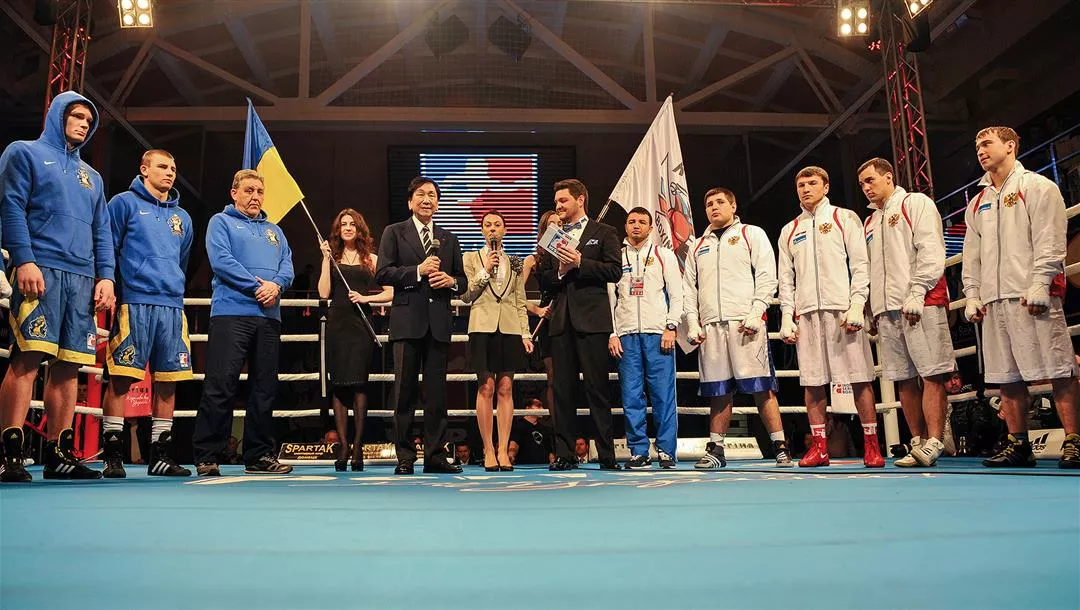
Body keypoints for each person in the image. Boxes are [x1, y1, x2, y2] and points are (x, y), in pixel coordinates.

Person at [0, 91, 115, 483]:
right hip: (41, 267)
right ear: (58, 115)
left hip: (81, 277)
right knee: (28, 358)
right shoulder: (24, 153)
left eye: (89, 120)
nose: (83, 124)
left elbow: (102, 230)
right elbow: (11, 206)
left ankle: (59, 454)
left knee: (69, 366)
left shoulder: (92, 177)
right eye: (77, 116)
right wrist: (24, 258)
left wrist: (106, 276)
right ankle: (10, 455)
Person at [962, 126, 1079, 468]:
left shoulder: (1038, 186)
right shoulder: (977, 202)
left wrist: (1041, 282)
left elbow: (1050, 238)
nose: (980, 150)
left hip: (1032, 294)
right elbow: (972, 254)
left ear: (1010, 146)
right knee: (1005, 375)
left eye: (987, 143)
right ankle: (1018, 444)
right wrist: (972, 294)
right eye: (977, 146)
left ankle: (1074, 440)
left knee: (1059, 369)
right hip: (994, 299)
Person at [777, 166, 885, 468]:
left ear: (825, 187)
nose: (805, 189)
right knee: (812, 382)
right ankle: (819, 447)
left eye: (812, 183)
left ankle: (872, 446)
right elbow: (785, 278)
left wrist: (857, 304)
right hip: (807, 313)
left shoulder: (844, 217)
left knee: (860, 377)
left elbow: (860, 264)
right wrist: (786, 315)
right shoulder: (789, 230)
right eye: (801, 185)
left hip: (842, 310)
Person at [191, 169, 295, 476]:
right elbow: (222, 261)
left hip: (269, 316)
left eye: (259, 191)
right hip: (231, 313)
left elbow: (287, 265)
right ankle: (208, 455)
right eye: (249, 190)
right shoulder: (221, 222)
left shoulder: (275, 231)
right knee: (221, 384)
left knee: (264, 387)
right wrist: (257, 287)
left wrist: (276, 286)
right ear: (234, 193)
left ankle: (259, 455)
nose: (255, 196)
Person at [100, 149, 193, 478]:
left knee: (168, 382)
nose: (169, 173)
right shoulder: (123, 204)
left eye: (173, 168)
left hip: (172, 306)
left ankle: (161, 456)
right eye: (163, 167)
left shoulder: (183, 218)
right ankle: (113, 454)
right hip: (134, 302)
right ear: (144, 169)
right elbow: (107, 247)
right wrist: (110, 283)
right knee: (121, 379)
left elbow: (182, 260)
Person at [858, 158, 956, 467]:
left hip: (921, 302)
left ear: (889, 177)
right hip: (886, 308)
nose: (866, 187)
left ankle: (936, 440)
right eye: (862, 184)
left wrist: (917, 290)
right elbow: (870, 268)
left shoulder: (915, 203)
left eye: (871, 180)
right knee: (903, 377)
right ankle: (917, 441)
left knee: (931, 372)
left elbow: (931, 249)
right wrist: (871, 307)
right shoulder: (870, 222)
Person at [683, 187, 792, 469]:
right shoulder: (697, 245)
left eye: (720, 202)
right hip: (711, 326)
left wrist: (757, 311)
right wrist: (693, 322)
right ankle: (716, 449)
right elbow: (688, 289)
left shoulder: (750, 233)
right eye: (709, 204)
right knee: (718, 391)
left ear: (733, 206)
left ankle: (780, 447)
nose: (714, 207)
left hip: (746, 323)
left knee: (761, 388)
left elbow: (767, 275)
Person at [375, 176, 466, 475]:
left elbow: (463, 280)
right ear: (410, 201)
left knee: (437, 395)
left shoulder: (449, 238)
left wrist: (451, 281)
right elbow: (383, 273)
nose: (427, 200)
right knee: (404, 392)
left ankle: (435, 455)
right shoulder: (394, 232)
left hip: (438, 323)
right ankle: (404, 455)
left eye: (432, 195)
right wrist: (418, 270)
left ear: (438, 203)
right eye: (421, 194)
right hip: (406, 322)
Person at [538, 179, 623, 471]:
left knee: (597, 390)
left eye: (563, 200)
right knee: (562, 391)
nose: (558, 206)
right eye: (556, 201)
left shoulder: (605, 232)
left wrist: (580, 263)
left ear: (580, 199)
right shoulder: (552, 236)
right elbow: (544, 280)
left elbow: (614, 271)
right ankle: (565, 454)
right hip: (561, 322)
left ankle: (607, 455)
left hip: (593, 322)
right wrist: (561, 272)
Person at [608, 206, 682, 469]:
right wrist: (613, 333)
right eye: (632, 221)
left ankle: (666, 451)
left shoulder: (664, 255)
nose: (636, 225)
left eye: (642, 221)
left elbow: (677, 294)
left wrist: (671, 326)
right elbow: (609, 300)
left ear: (651, 228)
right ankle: (639, 451)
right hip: (626, 335)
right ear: (625, 227)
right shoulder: (616, 258)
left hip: (658, 334)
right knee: (631, 396)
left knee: (663, 395)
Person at [318, 208, 391, 472]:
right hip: (337, 325)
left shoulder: (372, 259)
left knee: (360, 385)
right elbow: (323, 293)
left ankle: (358, 446)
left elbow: (390, 292)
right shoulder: (332, 258)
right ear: (338, 230)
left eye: (352, 224)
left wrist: (366, 298)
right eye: (343, 224)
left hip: (361, 326)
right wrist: (325, 259)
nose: (348, 227)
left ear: (360, 229)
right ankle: (343, 445)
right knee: (339, 386)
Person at [462, 210, 533, 472]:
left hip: (510, 327)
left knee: (505, 387)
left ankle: (503, 449)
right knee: (486, 387)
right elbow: (467, 295)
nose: (492, 228)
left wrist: (525, 333)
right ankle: (488, 449)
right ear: (482, 230)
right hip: (482, 326)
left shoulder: (515, 261)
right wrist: (485, 270)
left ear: (505, 230)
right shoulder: (470, 258)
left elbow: (519, 300)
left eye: (497, 224)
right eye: (488, 225)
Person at [520, 210, 562, 415]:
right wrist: (537, 309)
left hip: (573, 319)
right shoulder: (533, 260)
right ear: (543, 230)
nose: (557, 228)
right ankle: (557, 430)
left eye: (561, 224)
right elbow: (514, 294)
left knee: (570, 380)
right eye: (552, 224)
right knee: (553, 379)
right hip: (549, 322)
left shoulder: (575, 256)